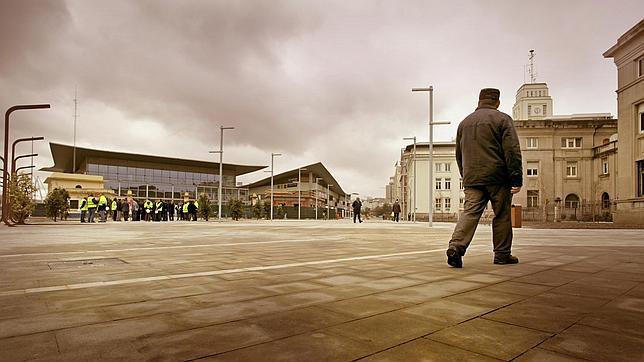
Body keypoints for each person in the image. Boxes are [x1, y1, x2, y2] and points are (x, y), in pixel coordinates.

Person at [446, 88, 523, 268]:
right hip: (498, 177)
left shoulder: (464, 123)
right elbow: (512, 150)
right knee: (502, 215)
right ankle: (502, 254)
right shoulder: (503, 119)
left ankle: (456, 247)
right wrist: (516, 178)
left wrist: (466, 176)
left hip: (473, 178)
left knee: (470, 213)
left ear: (479, 101)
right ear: (497, 102)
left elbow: (459, 154)